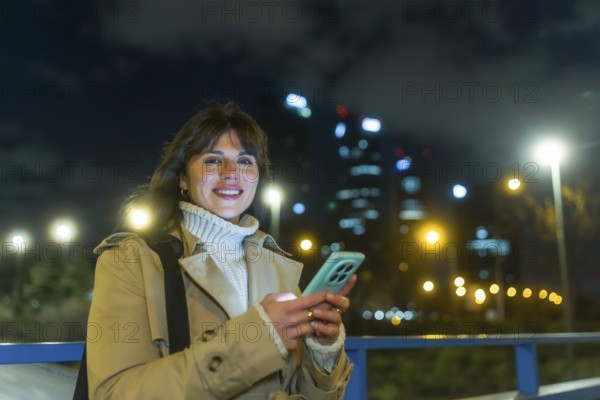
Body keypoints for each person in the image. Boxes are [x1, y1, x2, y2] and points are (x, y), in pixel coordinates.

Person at [86, 102, 356, 399]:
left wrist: (323, 350)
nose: (231, 173)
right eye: (213, 161)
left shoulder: (279, 267)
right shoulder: (132, 261)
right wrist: (257, 339)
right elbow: (113, 393)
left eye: (245, 161)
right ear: (183, 178)